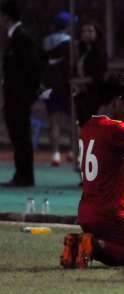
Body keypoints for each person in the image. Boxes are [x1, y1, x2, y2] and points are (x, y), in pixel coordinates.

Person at [60, 74, 124, 269]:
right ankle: (94, 246)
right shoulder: (115, 129)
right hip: (110, 214)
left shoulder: (87, 127)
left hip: (86, 214)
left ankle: (92, 246)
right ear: (117, 101)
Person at [0, 0, 41, 187]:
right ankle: (21, 173)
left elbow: (32, 69)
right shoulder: (14, 37)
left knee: (21, 136)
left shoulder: (22, 38)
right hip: (13, 96)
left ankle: (25, 176)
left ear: (5, 17)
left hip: (19, 98)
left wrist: (28, 95)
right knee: (17, 136)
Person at [42, 11, 73, 167]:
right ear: (67, 26)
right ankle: (72, 152)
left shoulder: (46, 41)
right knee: (72, 120)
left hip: (49, 86)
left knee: (54, 122)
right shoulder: (69, 42)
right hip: (65, 85)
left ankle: (55, 155)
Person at [75, 21, 108, 125]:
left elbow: (99, 75)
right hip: (81, 92)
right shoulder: (81, 51)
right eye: (84, 31)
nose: (86, 34)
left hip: (94, 93)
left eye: (90, 31)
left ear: (96, 33)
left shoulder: (99, 51)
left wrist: (82, 80)